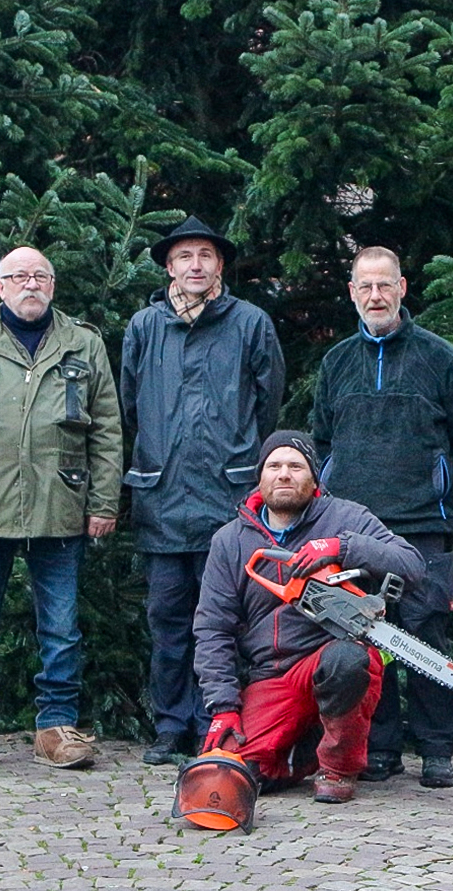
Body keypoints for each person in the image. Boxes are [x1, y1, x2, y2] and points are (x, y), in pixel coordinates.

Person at [0, 246, 124, 775]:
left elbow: (107, 428)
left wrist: (104, 501)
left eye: (39, 276)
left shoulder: (83, 343)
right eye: (18, 276)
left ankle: (56, 727)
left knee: (60, 626)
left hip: (61, 502)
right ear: (0, 287)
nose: (29, 284)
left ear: (52, 286)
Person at [310, 247, 453, 789]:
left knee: (425, 637)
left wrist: (437, 486)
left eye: (385, 285)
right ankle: (379, 748)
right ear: (352, 293)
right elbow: (321, 438)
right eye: (365, 286)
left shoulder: (440, 357)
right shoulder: (336, 361)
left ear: (402, 288)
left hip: (423, 523)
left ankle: (436, 749)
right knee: (364, 635)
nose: (375, 296)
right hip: (353, 528)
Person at [121, 216, 287, 765]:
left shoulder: (250, 323)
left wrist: (239, 457)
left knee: (228, 622)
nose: (196, 265)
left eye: (206, 255)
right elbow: (129, 406)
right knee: (168, 620)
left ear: (220, 265)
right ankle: (172, 726)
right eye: (185, 257)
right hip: (162, 500)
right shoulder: (145, 327)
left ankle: (220, 724)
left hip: (228, 501)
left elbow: (268, 405)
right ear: (169, 267)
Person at [193, 431, 426, 803]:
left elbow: (411, 564)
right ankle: (304, 753)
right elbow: (212, 628)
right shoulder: (230, 541)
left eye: (295, 466)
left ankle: (338, 767)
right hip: (271, 675)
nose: (284, 474)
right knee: (232, 773)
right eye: (274, 466)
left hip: (329, 657)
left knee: (349, 660)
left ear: (315, 478)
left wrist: (342, 546)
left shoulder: (346, 517)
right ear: (260, 477)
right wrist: (223, 707)